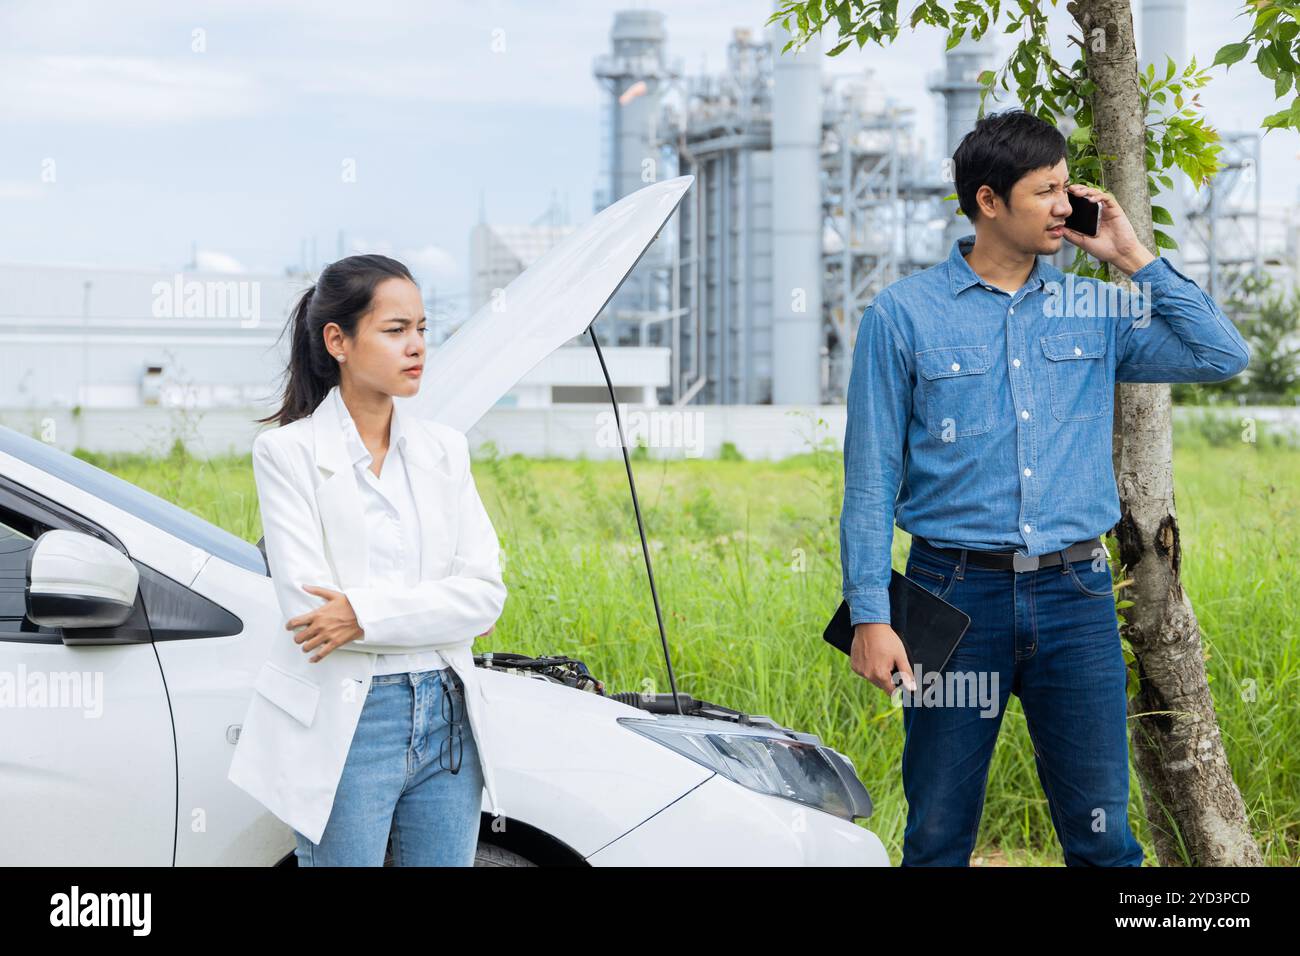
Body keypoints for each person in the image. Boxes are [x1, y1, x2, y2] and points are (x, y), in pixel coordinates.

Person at [839, 109, 1250, 866]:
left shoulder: (1091, 306)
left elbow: (1220, 354)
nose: (1066, 205)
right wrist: (870, 615)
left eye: (1068, 187)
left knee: (1104, 842)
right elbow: (869, 481)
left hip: (1077, 598)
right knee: (936, 834)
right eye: (1046, 191)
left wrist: (1134, 257)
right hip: (950, 598)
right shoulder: (902, 315)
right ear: (989, 201)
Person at [227, 254, 507, 866]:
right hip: (352, 718)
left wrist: (362, 611)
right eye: (395, 329)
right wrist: (436, 610)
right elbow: (312, 615)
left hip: (448, 715)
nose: (417, 347)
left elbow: (485, 595)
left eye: (423, 329)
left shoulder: (444, 450)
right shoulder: (287, 453)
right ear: (338, 341)